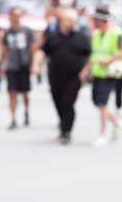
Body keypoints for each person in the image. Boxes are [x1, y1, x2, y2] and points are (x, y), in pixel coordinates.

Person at [31, 9, 91, 144]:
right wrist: (35, 64)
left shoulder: (80, 37)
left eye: (74, 21)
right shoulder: (53, 37)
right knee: (58, 102)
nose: (73, 24)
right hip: (55, 77)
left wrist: (85, 70)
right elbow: (41, 51)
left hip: (74, 77)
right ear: (62, 21)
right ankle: (63, 123)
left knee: (67, 103)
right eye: (70, 20)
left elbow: (90, 56)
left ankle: (66, 131)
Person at [79, 6, 122, 148]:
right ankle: (117, 123)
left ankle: (102, 134)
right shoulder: (96, 34)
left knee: (102, 103)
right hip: (97, 72)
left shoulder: (116, 32)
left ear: (101, 20)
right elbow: (93, 54)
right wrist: (86, 69)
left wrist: (110, 59)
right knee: (97, 101)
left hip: (110, 72)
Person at [0, 7, 36, 129]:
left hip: (24, 65)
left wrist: (33, 63)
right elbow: (4, 49)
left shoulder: (27, 31)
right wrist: (1, 64)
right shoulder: (7, 32)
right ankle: (13, 118)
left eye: (18, 15)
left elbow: (33, 48)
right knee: (12, 92)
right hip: (11, 66)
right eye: (14, 15)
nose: (16, 18)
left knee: (25, 92)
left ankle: (26, 111)